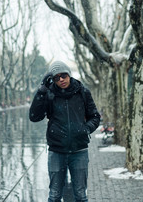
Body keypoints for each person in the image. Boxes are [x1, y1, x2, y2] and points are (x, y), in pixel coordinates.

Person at [29, 61, 100, 202]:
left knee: (80, 194)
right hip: (57, 151)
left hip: (79, 151)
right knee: (54, 195)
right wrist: (41, 91)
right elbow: (34, 117)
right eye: (56, 77)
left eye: (63, 75)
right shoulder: (49, 94)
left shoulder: (83, 92)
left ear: (69, 74)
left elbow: (95, 117)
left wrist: (85, 130)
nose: (61, 79)